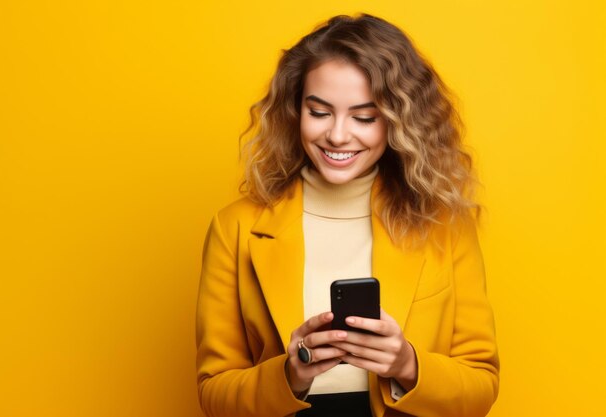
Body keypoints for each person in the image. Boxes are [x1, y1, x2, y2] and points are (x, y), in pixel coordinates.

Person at [195, 13, 499, 417]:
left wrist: (406, 365)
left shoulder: (443, 226)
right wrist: (290, 375)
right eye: (319, 112)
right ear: (294, 110)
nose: (338, 135)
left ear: (398, 121)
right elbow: (215, 394)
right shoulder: (235, 227)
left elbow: (481, 388)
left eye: (364, 117)